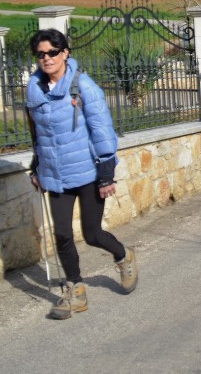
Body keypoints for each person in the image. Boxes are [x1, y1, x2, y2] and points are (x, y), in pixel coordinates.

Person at [26, 29, 137, 319]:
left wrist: (106, 174)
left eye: (52, 52)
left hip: (88, 172)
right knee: (62, 234)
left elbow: (102, 130)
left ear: (65, 53)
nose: (46, 58)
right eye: (40, 54)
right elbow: (38, 134)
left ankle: (123, 256)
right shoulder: (34, 90)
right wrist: (36, 166)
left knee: (92, 234)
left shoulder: (83, 86)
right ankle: (75, 291)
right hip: (55, 174)